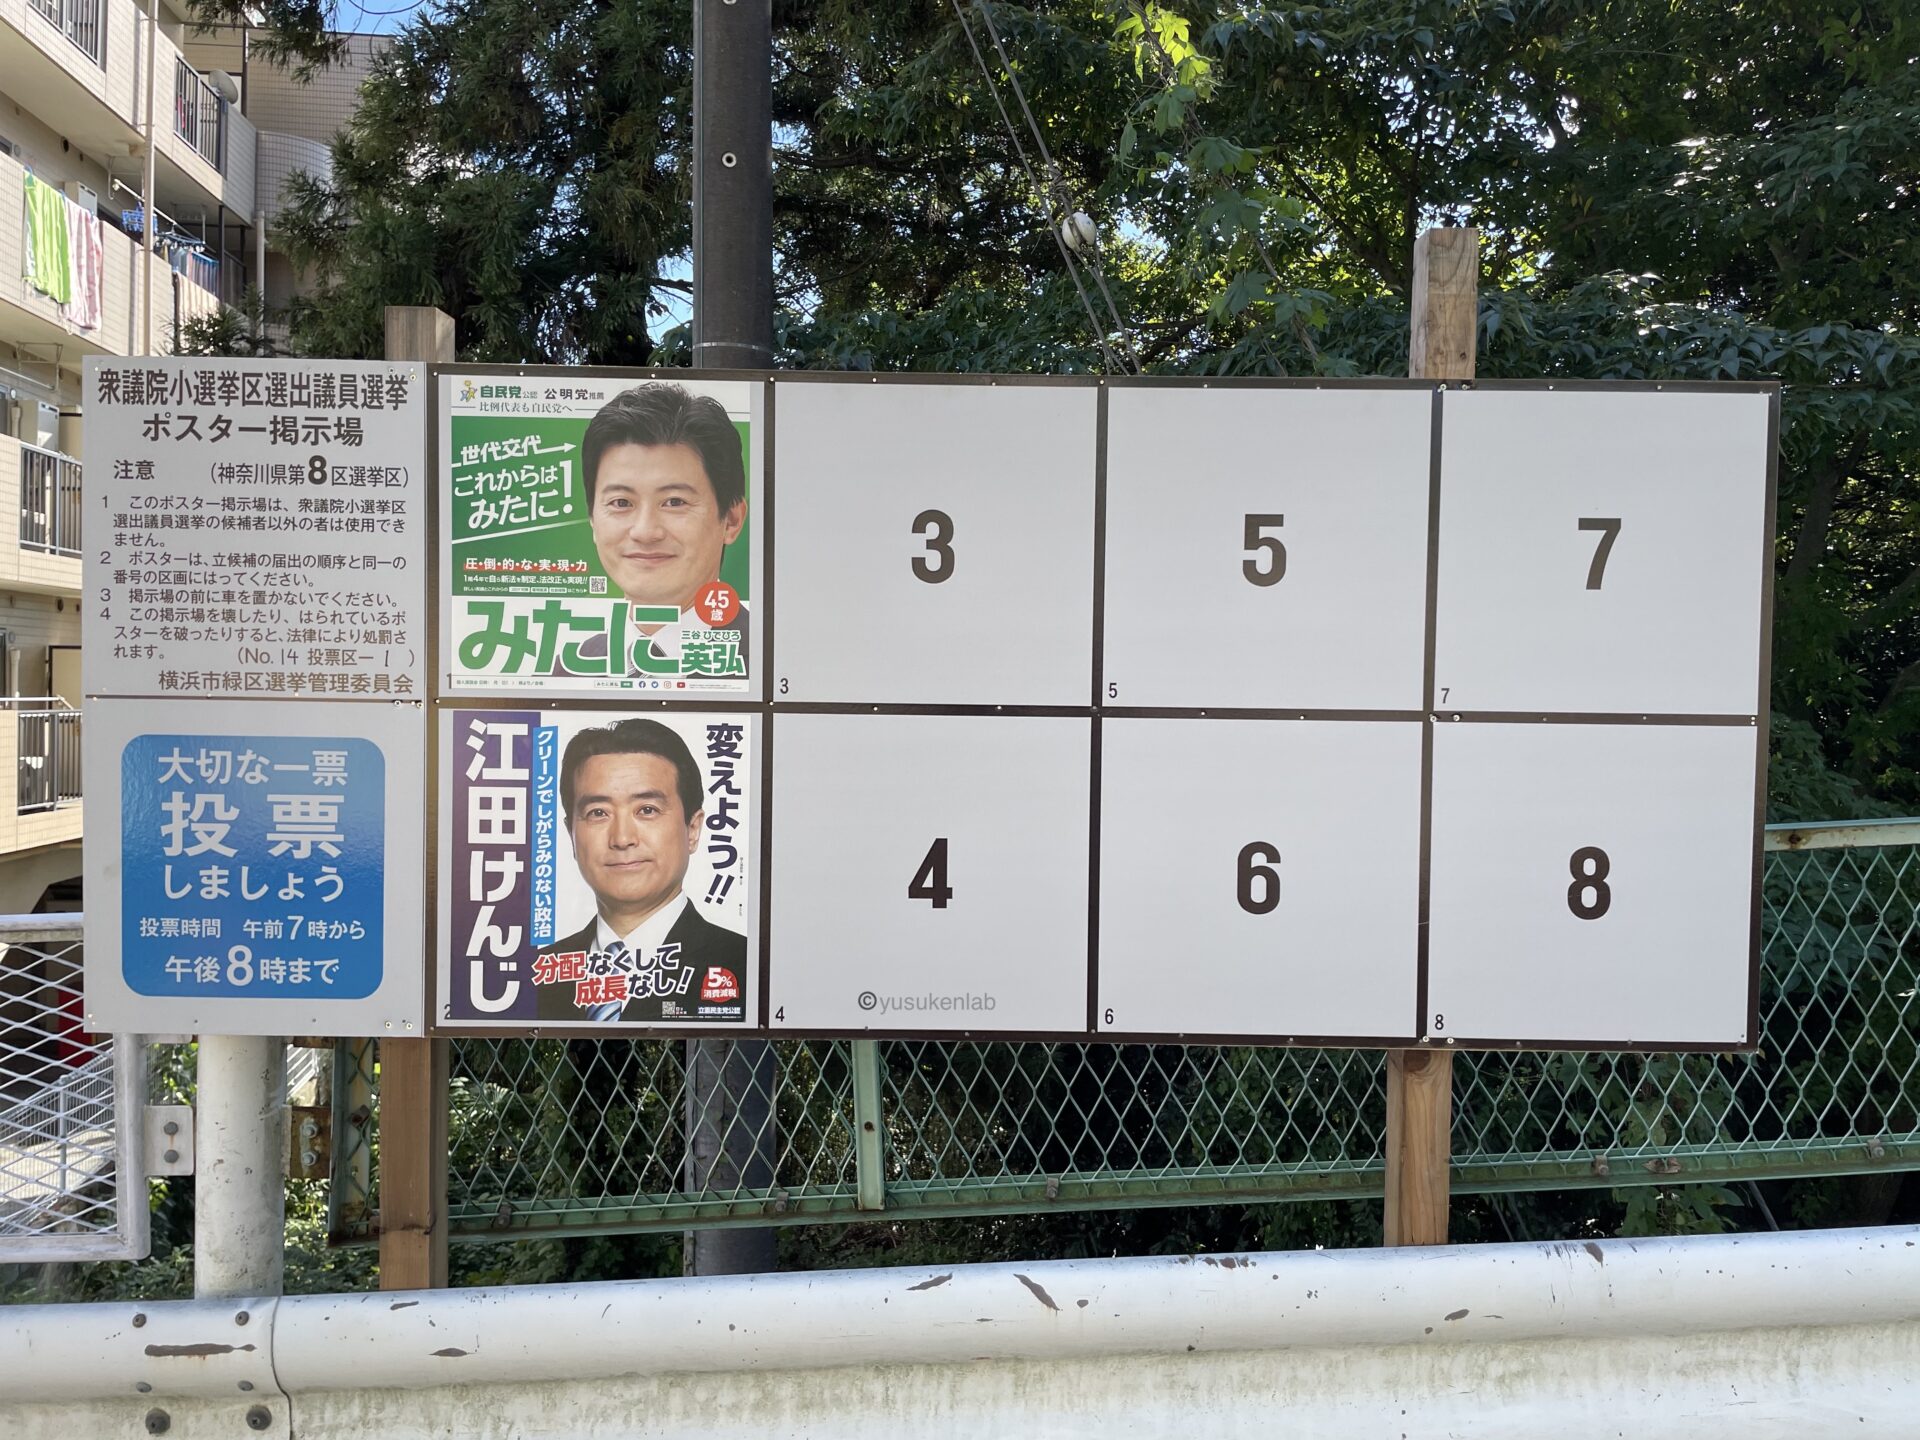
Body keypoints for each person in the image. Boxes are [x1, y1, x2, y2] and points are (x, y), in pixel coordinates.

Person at [534, 717, 746, 1023]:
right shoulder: (534, 975)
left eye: (647, 810)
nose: (622, 839)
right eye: (598, 812)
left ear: (692, 829)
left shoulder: (745, 963)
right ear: (571, 834)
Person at [560, 381, 750, 678]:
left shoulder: (774, 662)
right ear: (593, 520)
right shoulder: (567, 669)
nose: (645, 532)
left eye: (674, 502)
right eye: (621, 502)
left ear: (732, 520)